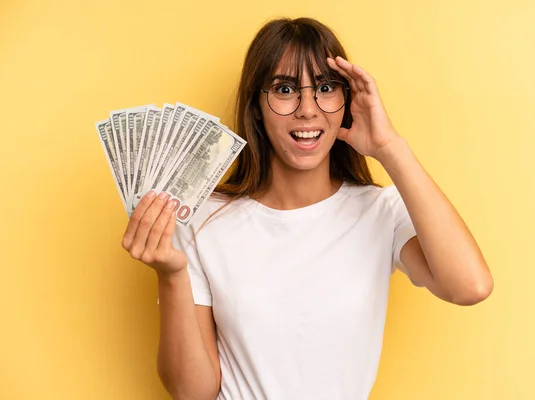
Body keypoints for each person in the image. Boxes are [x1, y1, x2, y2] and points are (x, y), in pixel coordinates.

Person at [121, 17, 494, 400]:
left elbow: (471, 287)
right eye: (285, 89)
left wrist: (389, 147)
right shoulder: (201, 219)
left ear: (347, 101)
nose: (308, 110)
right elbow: (192, 393)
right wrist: (170, 274)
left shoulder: (381, 212)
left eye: (326, 88)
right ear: (257, 107)